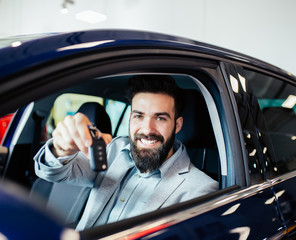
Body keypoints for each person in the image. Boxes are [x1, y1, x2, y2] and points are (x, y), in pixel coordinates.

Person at [34, 75, 218, 231]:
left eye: (160, 118)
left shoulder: (200, 190)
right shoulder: (113, 149)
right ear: (130, 119)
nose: (147, 129)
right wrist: (61, 149)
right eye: (138, 116)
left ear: (177, 125)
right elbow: (53, 172)